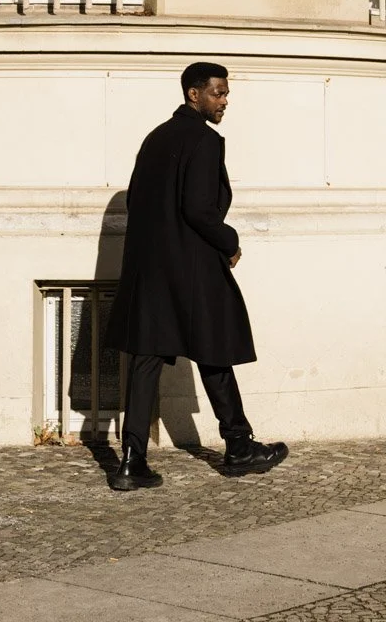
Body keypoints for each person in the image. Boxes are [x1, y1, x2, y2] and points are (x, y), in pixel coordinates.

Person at [105, 61, 288, 491]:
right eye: (218, 93)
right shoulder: (204, 141)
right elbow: (198, 209)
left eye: (226, 94)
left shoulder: (154, 139)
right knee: (215, 351)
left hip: (150, 270)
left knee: (147, 361)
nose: (225, 102)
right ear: (194, 94)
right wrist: (230, 242)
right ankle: (239, 448)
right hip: (191, 267)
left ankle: (131, 462)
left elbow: (137, 203)